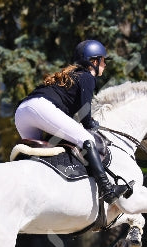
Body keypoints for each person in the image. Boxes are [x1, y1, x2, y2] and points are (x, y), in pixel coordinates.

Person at [14, 39, 128, 203]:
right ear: (93, 61)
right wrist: (91, 124)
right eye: (103, 60)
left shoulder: (71, 75)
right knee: (87, 139)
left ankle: (30, 193)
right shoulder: (87, 77)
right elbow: (84, 112)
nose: (105, 64)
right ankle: (107, 190)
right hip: (40, 107)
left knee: (38, 156)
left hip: (22, 112)